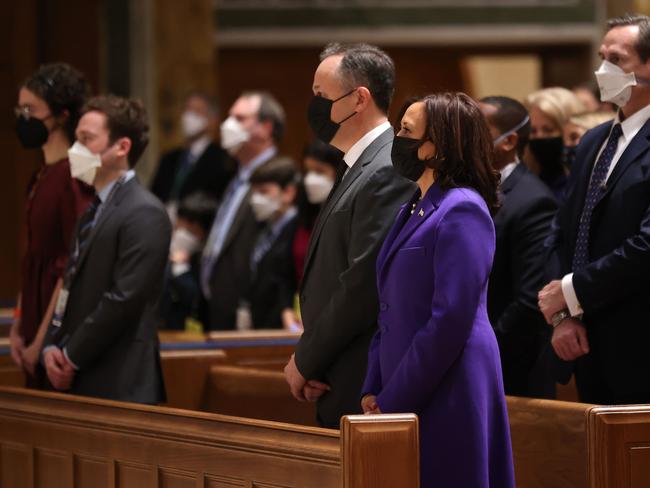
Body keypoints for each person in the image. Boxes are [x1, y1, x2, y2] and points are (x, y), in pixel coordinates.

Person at [361, 93, 514, 488]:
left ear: (440, 146)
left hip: (450, 380)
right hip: (407, 380)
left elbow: (450, 318)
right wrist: (374, 385)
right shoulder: (414, 204)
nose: (398, 139)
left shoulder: (463, 208)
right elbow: (388, 307)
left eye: (407, 132)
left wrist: (394, 399)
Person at [283, 43, 414, 428]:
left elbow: (362, 282)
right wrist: (317, 361)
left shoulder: (387, 167)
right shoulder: (357, 165)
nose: (315, 107)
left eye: (322, 96)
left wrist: (306, 360)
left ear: (359, 99)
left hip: (362, 370)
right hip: (337, 367)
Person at [539, 14, 650, 405]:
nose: (603, 69)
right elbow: (562, 230)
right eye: (601, 56)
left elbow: (647, 246)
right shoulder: (593, 140)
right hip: (581, 340)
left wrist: (571, 291)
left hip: (638, 343)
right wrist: (562, 315)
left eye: (617, 59)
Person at [41, 95, 171, 404]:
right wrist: (51, 345)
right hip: (79, 374)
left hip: (118, 379)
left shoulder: (144, 211)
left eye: (86, 139)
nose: (76, 150)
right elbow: (68, 285)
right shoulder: (91, 210)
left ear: (122, 147)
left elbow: (124, 298)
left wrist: (70, 356)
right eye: (76, 139)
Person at [9, 63, 94, 383]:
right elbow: (32, 259)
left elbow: (70, 264)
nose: (23, 118)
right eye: (20, 109)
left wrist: (44, 339)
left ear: (62, 115)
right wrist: (19, 326)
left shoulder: (76, 174)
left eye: (30, 110)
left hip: (56, 329)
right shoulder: (40, 174)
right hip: (33, 321)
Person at [479, 96, 558, 398]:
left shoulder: (533, 200)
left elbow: (529, 300)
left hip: (509, 370)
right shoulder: (467, 187)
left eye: (476, 130)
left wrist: (482, 351)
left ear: (509, 140)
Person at [200, 91, 287, 330]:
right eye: (229, 117)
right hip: (216, 309)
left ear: (266, 127)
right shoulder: (235, 176)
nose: (228, 125)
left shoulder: (279, 181)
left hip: (251, 316)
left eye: (239, 118)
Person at [150, 92, 234, 216]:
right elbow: (153, 195)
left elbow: (220, 203)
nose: (188, 116)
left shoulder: (224, 160)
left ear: (212, 120)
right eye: (186, 109)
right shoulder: (169, 158)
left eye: (197, 111)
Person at [241, 158, 300, 329]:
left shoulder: (298, 231)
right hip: (260, 325)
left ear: (288, 193)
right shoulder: (263, 228)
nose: (255, 199)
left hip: (285, 328)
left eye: (264, 191)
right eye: (254, 192)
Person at [160, 192, 217, 330]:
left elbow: (191, 296)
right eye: (181, 225)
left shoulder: (205, 262)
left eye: (191, 230)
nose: (183, 233)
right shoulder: (161, 244)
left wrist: (180, 267)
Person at [293, 139, 342, 285]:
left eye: (319, 171)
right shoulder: (304, 213)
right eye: (308, 171)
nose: (310, 179)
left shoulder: (344, 215)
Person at [524, 87, 585, 201]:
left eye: (548, 130)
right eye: (533, 131)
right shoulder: (526, 180)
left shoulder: (581, 185)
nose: (539, 137)